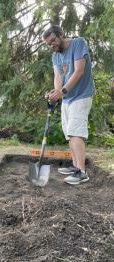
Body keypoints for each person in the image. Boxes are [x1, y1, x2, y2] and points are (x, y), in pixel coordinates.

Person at [43, 25, 94, 185]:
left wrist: (62, 91)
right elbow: (58, 76)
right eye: (49, 44)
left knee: (76, 133)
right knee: (69, 132)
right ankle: (75, 166)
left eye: (53, 41)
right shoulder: (55, 55)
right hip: (67, 98)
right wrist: (55, 93)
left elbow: (79, 70)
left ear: (61, 34)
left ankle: (82, 172)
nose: (52, 45)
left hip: (81, 95)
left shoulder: (78, 43)